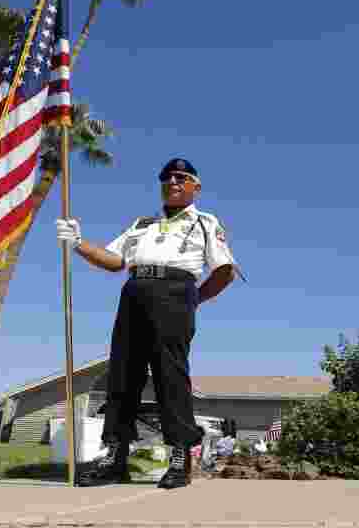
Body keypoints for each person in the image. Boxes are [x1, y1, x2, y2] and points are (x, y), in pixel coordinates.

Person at [56, 158, 240, 489]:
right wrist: (78, 244)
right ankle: (115, 456)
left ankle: (181, 455)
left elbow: (225, 269)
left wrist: (194, 299)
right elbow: (115, 261)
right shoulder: (143, 223)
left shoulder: (205, 223)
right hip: (134, 292)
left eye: (182, 177)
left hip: (176, 292)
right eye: (167, 177)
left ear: (195, 186)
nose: (173, 182)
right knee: (123, 374)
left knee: (171, 375)